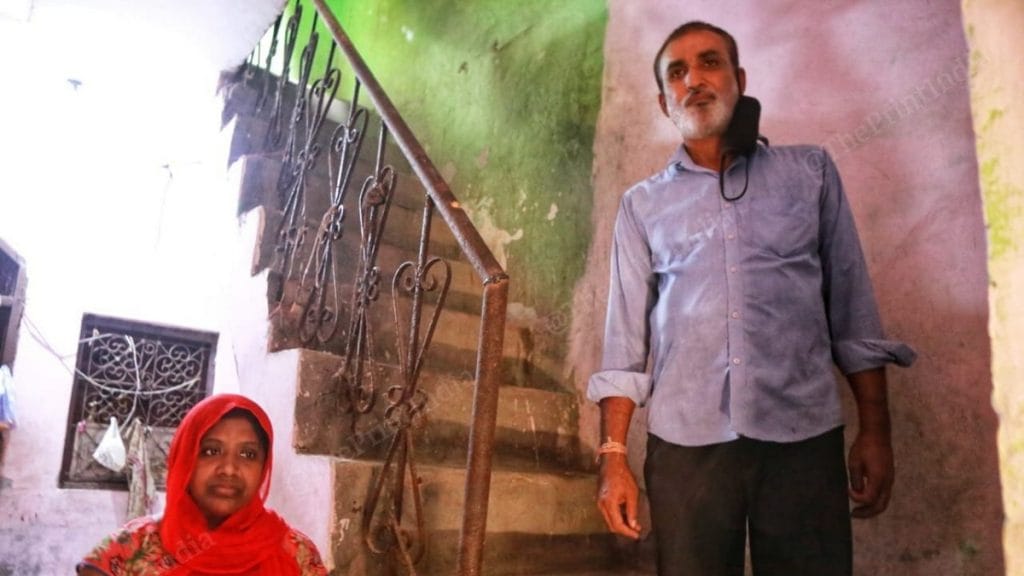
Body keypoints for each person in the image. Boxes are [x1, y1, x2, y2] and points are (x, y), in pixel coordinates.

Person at [587, 21, 916, 576]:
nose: (694, 79)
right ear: (664, 101)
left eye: (709, 62)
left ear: (739, 79)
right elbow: (624, 345)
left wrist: (876, 431)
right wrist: (613, 459)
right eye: (677, 72)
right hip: (685, 445)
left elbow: (853, 313)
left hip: (802, 439)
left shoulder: (809, 173)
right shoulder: (641, 206)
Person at [77, 394, 327, 576]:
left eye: (248, 454)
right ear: (185, 458)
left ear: (264, 467)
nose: (229, 469)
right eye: (211, 450)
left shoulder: (296, 553)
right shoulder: (130, 549)